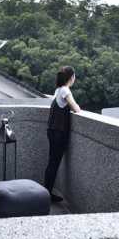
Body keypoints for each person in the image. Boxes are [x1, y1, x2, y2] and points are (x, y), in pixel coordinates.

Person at [44, 66, 81, 202]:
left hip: (52, 130)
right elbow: (76, 108)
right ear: (71, 77)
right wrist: (78, 107)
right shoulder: (65, 90)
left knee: (51, 162)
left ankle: (47, 192)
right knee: (53, 163)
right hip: (58, 132)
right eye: (74, 76)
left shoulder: (58, 90)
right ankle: (47, 194)